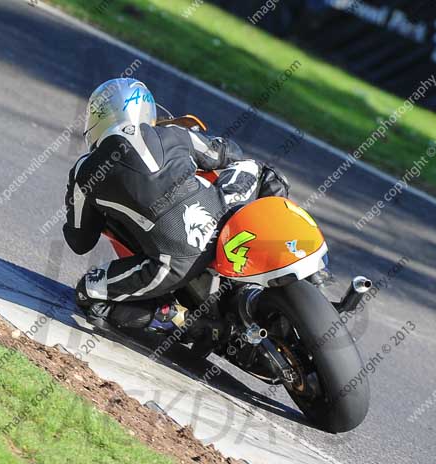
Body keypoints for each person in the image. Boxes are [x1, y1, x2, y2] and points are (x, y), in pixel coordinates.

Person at [63, 78, 289, 335]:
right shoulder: (173, 133)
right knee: (255, 168)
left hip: (173, 264)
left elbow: (79, 242)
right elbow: (227, 153)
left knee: (86, 291)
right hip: (224, 218)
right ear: (147, 110)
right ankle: (295, 259)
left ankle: (184, 320)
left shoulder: (84, 171)